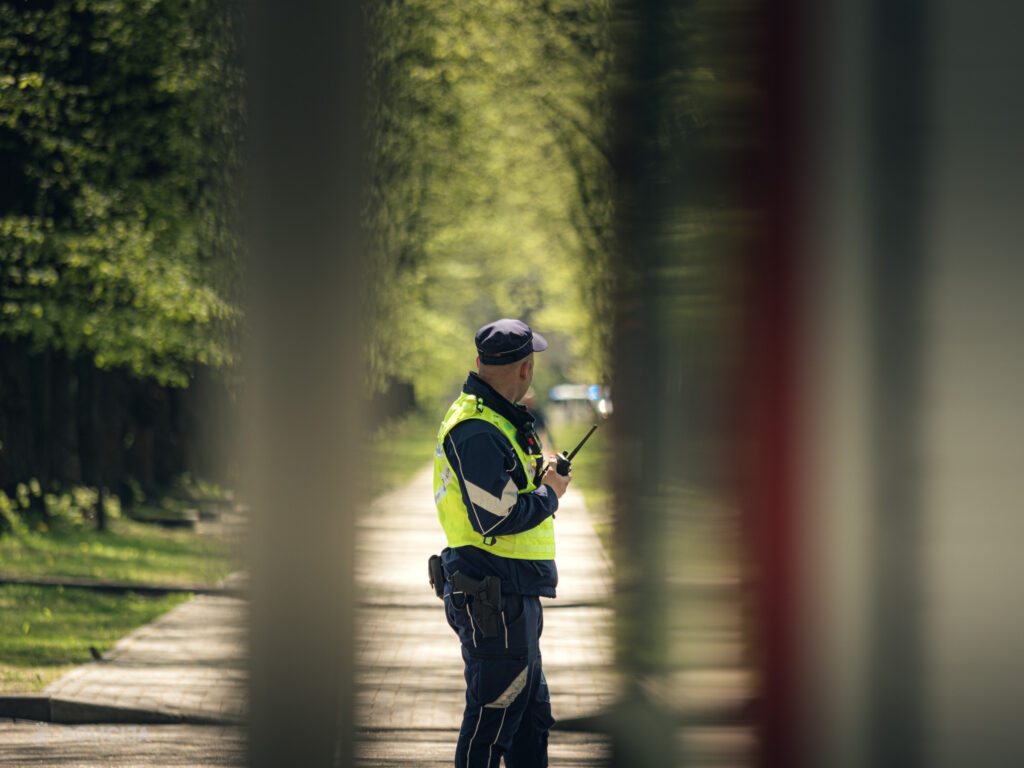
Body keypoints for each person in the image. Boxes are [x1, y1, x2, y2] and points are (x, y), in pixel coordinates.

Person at [433, 318, 572, 768]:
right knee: (494, 722)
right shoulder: (476, 428)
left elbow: (499, 494)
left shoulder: (495, 419)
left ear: (479, 361)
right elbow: (495, 515)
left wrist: (540, 478)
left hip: (510, 591)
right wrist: (550, 494)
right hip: (493, 595)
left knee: (530, 720)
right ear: (526, 369)